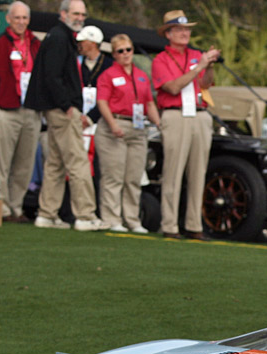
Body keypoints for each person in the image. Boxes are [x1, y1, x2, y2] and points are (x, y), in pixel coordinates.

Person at [24, 0, 104, 231]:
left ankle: (47, 214)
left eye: (82, 14)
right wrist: (67, 105)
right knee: (78, 161)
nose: (79, 17)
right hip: (61, 109)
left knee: (56, 163)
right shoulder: (60, 37)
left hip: (57, 108)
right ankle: (86, 215)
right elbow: (52, 76)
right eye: (75, 13)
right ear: (63, 14)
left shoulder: (60, 36)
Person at [152, 10, 221, 240]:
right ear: (169, 33)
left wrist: (208, 64)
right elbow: (172, 87)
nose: (185, 33)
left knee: (198, 172)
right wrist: (199, 66)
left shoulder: (196, 55)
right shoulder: (161, 59)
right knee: (173, 172)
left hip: (200, 114)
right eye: (179, 29)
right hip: (175, 115)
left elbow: (206, 84)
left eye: (187, 29)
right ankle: (170, 225)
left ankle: (194, 224)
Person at [0, 1, 40, 222]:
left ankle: (17, 207)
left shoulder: (36, 44)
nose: (21, 22)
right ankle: (1, 206)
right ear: (8, 19)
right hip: (6, 109)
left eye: (24, 18)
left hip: (31, 110)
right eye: (17, 18)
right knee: (2, 161)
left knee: (25, 163)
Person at [95, 33, 160, 234]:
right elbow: (102, 101)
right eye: (120, 51)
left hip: (138, 128)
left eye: (128, 50)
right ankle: (112, 217)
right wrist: (113, 124)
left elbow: (149, 102)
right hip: (115, 126)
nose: (125, 54)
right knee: (113, 176)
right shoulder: (108, 75)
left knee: (133, 177)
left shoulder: (141, 75)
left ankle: (132, 219)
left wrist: (158, 122)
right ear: (114, 54)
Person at [76, 25, 111, 124]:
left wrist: (90, 118)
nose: (79, 44)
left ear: (93, 43)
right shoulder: (76, 62)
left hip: (101, 119)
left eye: (82, 41)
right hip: (78, 117)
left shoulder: (109, 64)